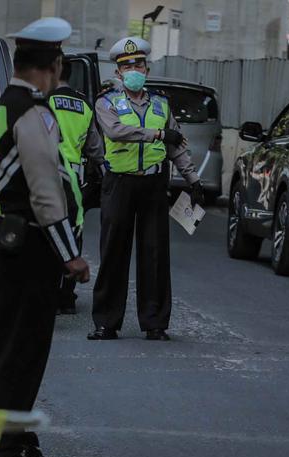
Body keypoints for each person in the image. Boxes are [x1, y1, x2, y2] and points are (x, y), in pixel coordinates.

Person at [0, 17, 91, 457]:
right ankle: (3, 454)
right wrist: (71, 254)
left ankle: (20, 445)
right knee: (21, 355)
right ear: (53, 65)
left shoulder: (0, 109)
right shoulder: (31, 113)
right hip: (29, 247)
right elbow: (46, 192)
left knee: (12, 351)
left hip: (8, 241)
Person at [88, 37, 205, 342]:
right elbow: (117, 132)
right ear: (117, 72)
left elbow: (176, 143)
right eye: (127, 66)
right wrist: (157, 133)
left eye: (138, 64)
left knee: (154, 252)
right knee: (113, 251)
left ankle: (155, 323)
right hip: (119, 183)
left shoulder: (161, 103)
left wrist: (192, 179)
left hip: (154, 183)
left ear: (147, 68)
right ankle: (106, 322)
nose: (133, 70)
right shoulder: (106, 102)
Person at [48, 61, 103, 315]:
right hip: (76, 178)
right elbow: (95, 150)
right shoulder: (84, 105)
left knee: (48, 233)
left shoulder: (43, 101)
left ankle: (46, 292)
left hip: (47, 172)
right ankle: (66, 297)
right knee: (72, 231)